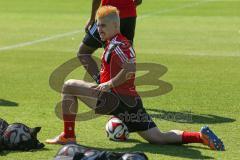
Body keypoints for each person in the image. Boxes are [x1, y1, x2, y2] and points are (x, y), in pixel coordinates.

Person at [46, 6, 225, 151]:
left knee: (69, 86)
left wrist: (109, 83)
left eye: (103, 26)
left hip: (113, 99)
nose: (99, 30)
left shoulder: (117, 45)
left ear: (115, 26)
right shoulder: (118, 42)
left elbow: (130, 67)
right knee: (158, 138)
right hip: (130, 101)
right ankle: (199, 137)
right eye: (98, 25)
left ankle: (68, 136)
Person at [78, 0, 142, 84]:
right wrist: (127, 7)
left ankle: (102, 84)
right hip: (129, 16)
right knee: (124, 54)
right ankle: (122, 89)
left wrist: (92, 18)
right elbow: (138, 1)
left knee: (83, 53)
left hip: (107, 16)